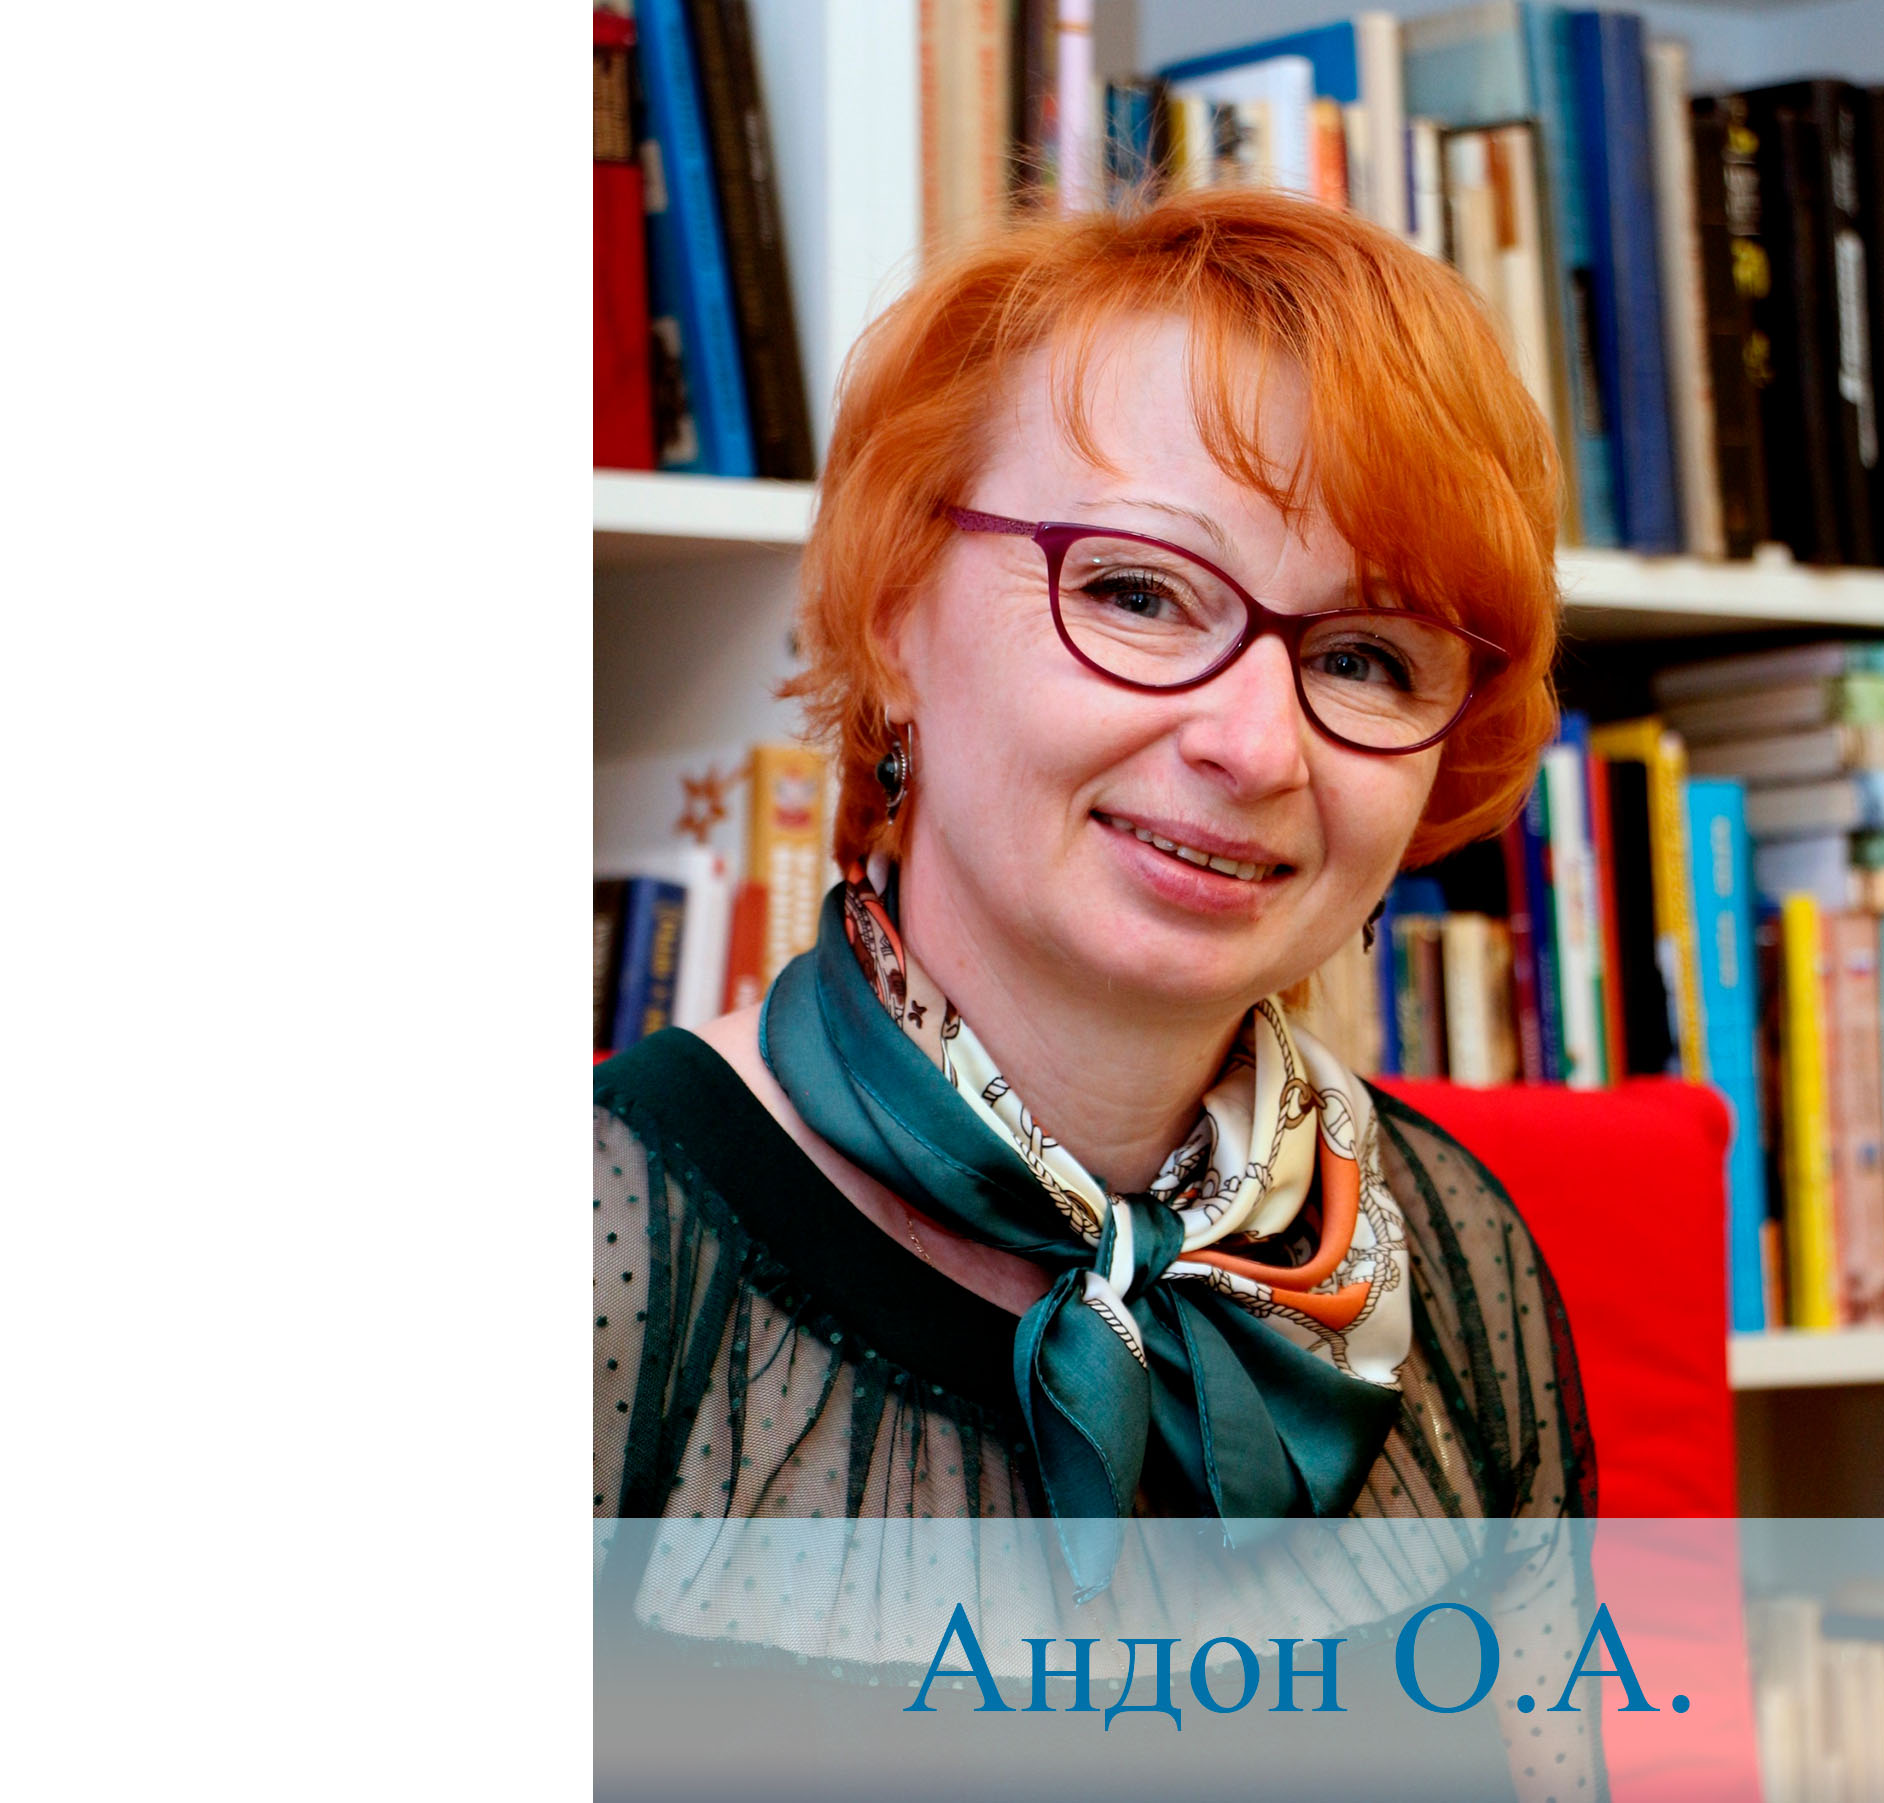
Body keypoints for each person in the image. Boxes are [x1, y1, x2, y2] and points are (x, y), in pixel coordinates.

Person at [594, 188, 1600, 1797]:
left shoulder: (1462, 1255)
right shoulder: (601, 1243)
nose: (1254, 747)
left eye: (1363, 656)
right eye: (1137, 593)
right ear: (895, 613)